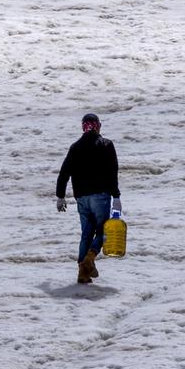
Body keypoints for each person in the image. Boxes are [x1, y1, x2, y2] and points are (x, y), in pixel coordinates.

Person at [56, 113, 122, 284]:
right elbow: (112, 172)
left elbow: (64, 173)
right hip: (101, 196)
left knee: (86, 233)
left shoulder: (75, 147)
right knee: (102, 231)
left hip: (82, 198)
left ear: (83, 127)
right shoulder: (106, 145)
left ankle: (82, 274)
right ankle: (89, 258)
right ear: (98, 126)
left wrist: (60, 196)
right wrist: (116, 196)